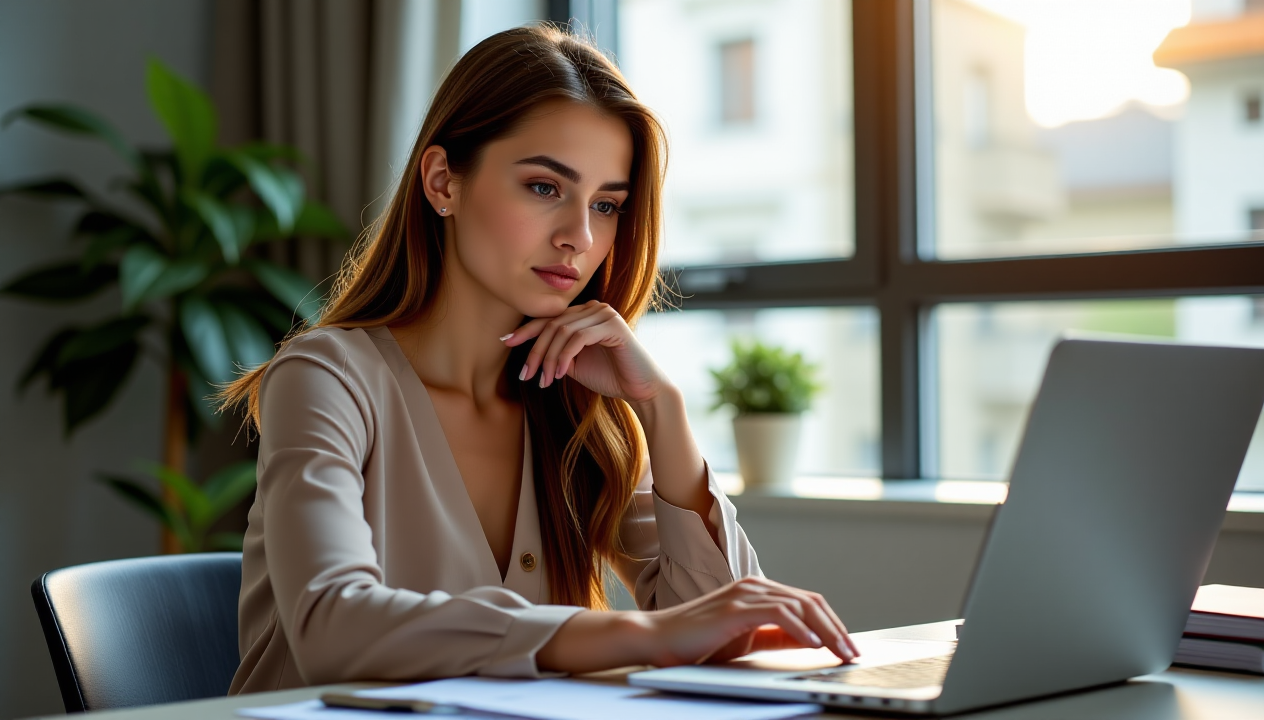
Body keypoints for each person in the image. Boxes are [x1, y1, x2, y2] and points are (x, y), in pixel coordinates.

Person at [218, 25, 856, 694]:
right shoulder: (327, 379)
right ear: (443, 182)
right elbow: (332, 628)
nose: (579, 237)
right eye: (545, 188)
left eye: (606, 204)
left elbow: (726, 629)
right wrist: (640, 636)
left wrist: (662, 409)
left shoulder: (578, 406)